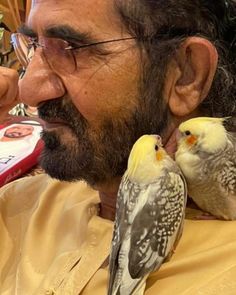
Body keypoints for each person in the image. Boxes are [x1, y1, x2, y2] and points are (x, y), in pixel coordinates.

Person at [0, 0, 236, 294]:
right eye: (33, 45)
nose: (27, 91)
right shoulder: (18, 203)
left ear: (186, 76)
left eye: (70, 48)